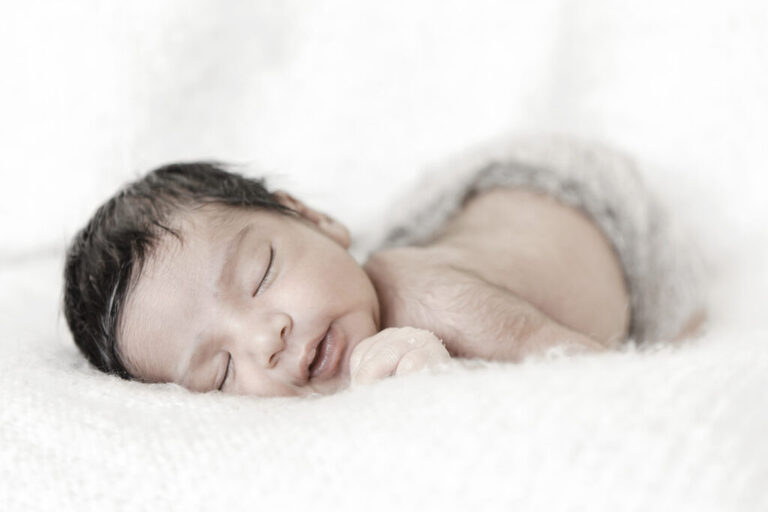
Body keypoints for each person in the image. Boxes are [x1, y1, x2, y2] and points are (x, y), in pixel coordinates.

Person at [63, 137, 704, 397]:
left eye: (259, 274)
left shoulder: (441, 304)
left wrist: (439, 396)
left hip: (568, 195)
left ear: (314, 218)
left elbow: (595, 382)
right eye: (221, 369)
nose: (265, 338)